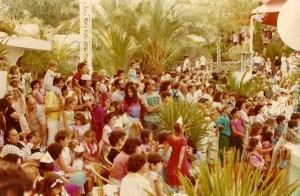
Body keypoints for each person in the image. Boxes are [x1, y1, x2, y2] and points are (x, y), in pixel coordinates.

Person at [163, 121, 189, 191]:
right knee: (180, 179)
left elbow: (166, 148)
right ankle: (179, 192)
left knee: (173, 177)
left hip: (173, 158)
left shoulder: (170, 138)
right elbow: (182, 153)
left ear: (174, 129)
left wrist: (162, 157)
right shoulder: (183, 140)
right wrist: (180, 164)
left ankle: (173, 192)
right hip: (181, 160)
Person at [45, 77, 64, 145]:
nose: (62, 84)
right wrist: (60, 108)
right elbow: (47, 109)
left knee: (56, 141)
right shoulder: (51, 94)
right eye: (61, 82)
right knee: (51, 141)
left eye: (63, 82)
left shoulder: (58, 94)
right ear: (55, 84)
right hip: (52, 120)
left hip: (58, 119)